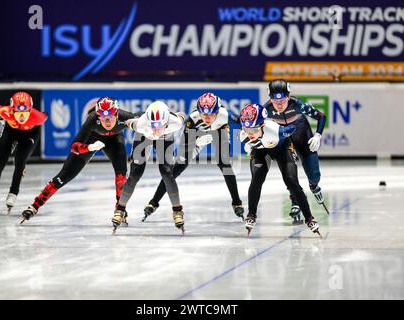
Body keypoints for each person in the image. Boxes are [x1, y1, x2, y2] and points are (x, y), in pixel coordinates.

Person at [20, 96, 139, 223]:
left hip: (115, 139)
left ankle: (120, 210)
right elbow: (75, 147)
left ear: (117, 113)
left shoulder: (125, 117)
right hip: (93, 138)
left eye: (110, 117)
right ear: (98, 116)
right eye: (103, 117)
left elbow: (145, 117)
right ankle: (35, 206)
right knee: (64, 176)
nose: (107, 121)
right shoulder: (92, 119)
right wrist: (89, 147)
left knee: (121, 175)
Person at [142, 92, 244, 222]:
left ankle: (237, 202)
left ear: (218, 112)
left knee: (224, 165)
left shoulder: (225, 114)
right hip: (197, 133)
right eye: (204, 114)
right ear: (199, 112)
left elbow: (245, 123)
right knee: (176, 169)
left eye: (211, 114)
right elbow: (186, 143)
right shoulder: (192, 119)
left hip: (219, 130)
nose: (207, 118)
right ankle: (154, 202)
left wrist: (244, 133)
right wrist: (196, 142)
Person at [239, 103, 321, 237]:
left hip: (281, 149)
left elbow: (294, 128)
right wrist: (249, 144)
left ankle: (309, 218)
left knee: (291, 182)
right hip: (260, 152)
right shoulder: (244, 135)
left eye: (253, 130)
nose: (250, 133)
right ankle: (251, 214)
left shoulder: (278, 131)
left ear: (263, 125)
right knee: (256, 180)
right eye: (246, 129)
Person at [112, 101, 185, 234]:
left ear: (166, 122)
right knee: (135, 173)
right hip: (143, 136)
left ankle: (177, 210)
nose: (156, 130)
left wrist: (180, 116)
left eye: (159, 126)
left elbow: (180, 118)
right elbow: (128, 124)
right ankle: (120, 209)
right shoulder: (141, 124)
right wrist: (130, 123)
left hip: (166, 138)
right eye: (153, 126)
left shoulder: (175, 123)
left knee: (167, 172)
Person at [263, 79, 328, 223]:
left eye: (283, 99)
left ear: (288, 96)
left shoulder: (297, 104)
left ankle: (314, 185)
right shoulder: (265, 109)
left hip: (303, 139)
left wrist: (318, 135)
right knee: (290, 175)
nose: (279, 104)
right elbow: (256, 127)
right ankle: (295, 201)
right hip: (285, 142)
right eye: (275, 100)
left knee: (314, 175)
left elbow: (321, 116)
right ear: (270, 98)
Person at [0, 92, 48, 214]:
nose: (22, 117)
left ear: (30, 110)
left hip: (29, 136)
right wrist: (2, 120)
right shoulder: (5, 111)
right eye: (19, 113)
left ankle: (13, 193)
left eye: (25, 113)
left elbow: (45, 115)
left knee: (20, 160)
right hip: (10, 133)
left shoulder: (38, 117)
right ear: (12, 110)